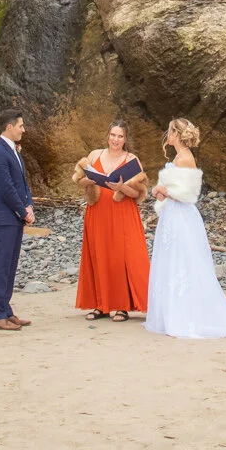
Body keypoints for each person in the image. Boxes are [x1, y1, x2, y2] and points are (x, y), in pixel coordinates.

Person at [143, 119, 226, 340]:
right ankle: (171, 313)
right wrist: (162, 192)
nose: (168, 134)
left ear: (176, 134)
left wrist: (163, 191)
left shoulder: (185, 159)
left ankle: (185, 316)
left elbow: (189, 194)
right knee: (172, 260)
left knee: (183, 261)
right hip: (172, 215)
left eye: (170, 131)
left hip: (182, 216)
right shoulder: (178, 157)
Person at [72, 121, 149, 321]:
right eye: (113, 135)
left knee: (121, 256)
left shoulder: (132, 160)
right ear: (108, 135)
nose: (116, 140)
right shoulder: (94, 155)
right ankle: (101, 305)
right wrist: (87, 181)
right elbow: (79, 181)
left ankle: (122, 306)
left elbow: (138, 193)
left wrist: (121, 188)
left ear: (125, 139)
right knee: (99, 255)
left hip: (122, 213)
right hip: (97, 212)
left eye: (120, 136)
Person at [0, 111, 36, 331]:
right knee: (2, 265)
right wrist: (23, 211)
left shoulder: (13, 150)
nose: (23, 129)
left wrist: (29, 204)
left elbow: (22, 183)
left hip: (14, 217)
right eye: (20, 126)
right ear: (8, 127)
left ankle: (6, 310)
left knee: (11, 265)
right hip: (4, 217)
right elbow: (5, 187)